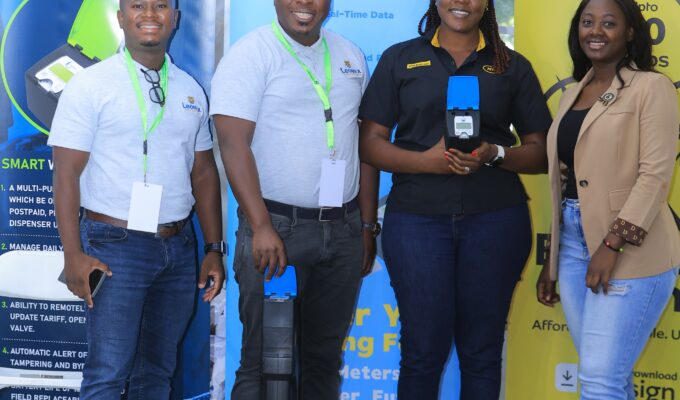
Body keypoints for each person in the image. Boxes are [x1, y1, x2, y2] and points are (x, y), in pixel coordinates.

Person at [359, 0, 552, 398]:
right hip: (416, 222)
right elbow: (370, 144)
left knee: (482, 353)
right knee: (422, 353)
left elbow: (542, 152)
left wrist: (495, 154)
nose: (461, 2)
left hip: (496, 220)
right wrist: (425, 163)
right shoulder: (399, 59)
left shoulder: (511, 65)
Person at [48, 0, 226, 398]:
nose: (150, 14)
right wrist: (72, 254)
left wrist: (213, 248)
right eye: (138, 5)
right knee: (108, 374)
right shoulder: (91, 85)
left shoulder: (190, 90)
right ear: (120, 18)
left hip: (178, 249)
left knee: (157, 374)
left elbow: (203, 172)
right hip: (114, 247)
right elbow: (65, 173)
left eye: (161, 5)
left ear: (175, 18)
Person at [210, 0, 378, 398]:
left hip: (342, 230)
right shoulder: (251, 54)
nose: (304, 4)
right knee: (264, 361)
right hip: (277, 230)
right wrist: (261, 225)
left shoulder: (350, 55)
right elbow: (232, 144)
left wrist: (367, 225)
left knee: (323, 360)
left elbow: (364, 142)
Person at [536, 0, 680, 398]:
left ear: (630, 32)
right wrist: (552, 257)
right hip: (572, 245)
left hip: (630, 248)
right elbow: (566, 180)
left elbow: (655, 176)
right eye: (587, 22)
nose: (595, 31)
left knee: (600, 380)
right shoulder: (572, 94)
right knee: (609, 377)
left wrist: (612, 243)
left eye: (609, 23)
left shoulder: (652, 88)